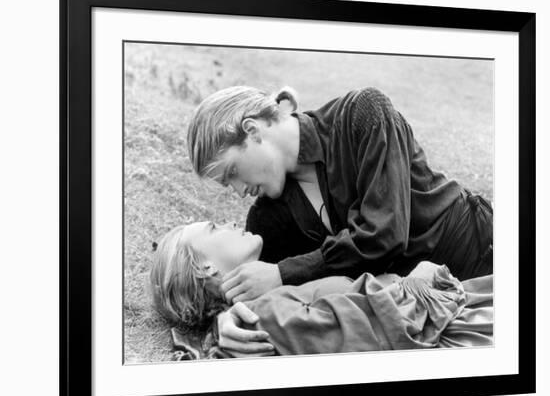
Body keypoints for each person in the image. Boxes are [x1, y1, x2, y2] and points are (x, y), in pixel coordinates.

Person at [186, 85, 493, 355]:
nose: (239, 192)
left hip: (483, 255)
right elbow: (261, 294)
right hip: (431, 316)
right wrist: (224, 320)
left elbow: (383, 235)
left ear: (252, 132)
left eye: (232, 174)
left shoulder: (362, 115)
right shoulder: (268, 219)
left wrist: (283, 272)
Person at [150, 221, 493, 357]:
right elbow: (372, 334)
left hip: (456, 314)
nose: (229, 222)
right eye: (214, 227)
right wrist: (418, 284)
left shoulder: (270, 297)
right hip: (457, 332)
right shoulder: (264, 317)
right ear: (203, 268)